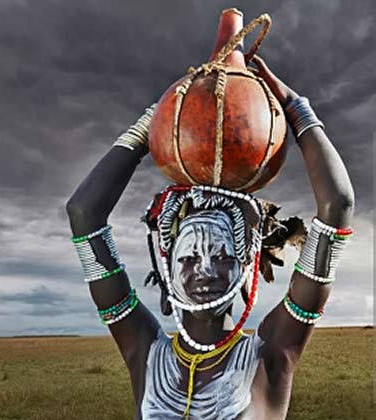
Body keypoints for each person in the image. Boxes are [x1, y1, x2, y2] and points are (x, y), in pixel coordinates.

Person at [66, 55, 354, 420]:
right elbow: (83, 214)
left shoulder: (270, 356)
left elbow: (338, 205)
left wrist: (298, 110)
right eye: (188, 258)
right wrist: (155, 122)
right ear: (167, 264)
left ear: (248, 262)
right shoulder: (145, 353)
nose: (205, 271)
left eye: (222, 256)